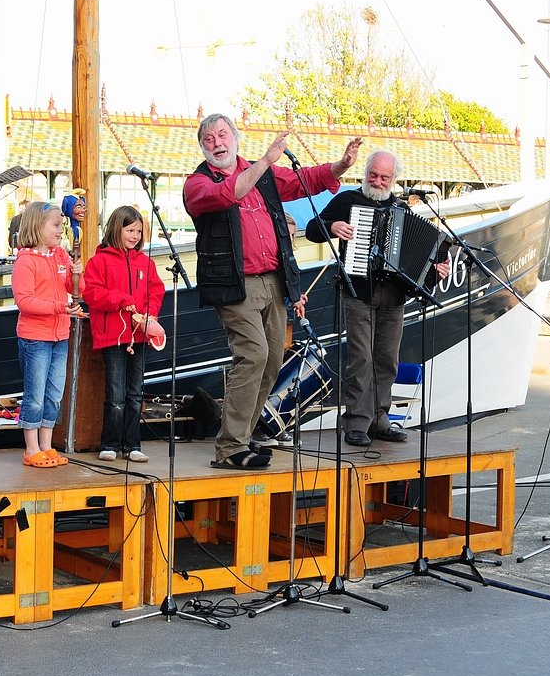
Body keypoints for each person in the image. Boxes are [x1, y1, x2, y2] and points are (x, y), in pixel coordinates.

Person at [184, 113, 361, 469]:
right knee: (253, 354)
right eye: (209, 139)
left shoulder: (264, 174)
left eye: (222, 135)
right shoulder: (197, 184)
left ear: (235, 137)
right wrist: (265, 161)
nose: (217, 143)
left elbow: (303, 180)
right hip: (235, 285)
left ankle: (242, 439)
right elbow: (229, 193)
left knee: (272, 360)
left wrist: (341, 165)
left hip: (273, 279)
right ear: (202, 146)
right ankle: (230, 447)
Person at [306, 151, 447, 447]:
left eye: (384, 177)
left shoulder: (401, 209)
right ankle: (356, 421)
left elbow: (419, 267)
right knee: (362, 358)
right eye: (373, 174)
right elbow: (312, 230)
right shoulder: (348, 201)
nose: (378, 181)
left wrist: (436, 270)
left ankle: (379, 419)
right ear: (365, 172)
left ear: (394, 179)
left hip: (394, 296)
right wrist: (332, 227)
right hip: (358, 291)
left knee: (386, 360)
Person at [82, 206, 166, 463]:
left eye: (139, 231)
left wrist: (150, 312)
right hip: (114, 337)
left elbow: (156, 291)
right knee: (115, 393)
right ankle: (110, 443)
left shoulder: (146, 262)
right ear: (116, 229)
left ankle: (132, 445)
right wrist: (120, 299)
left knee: (135, 393)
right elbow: (91, 293)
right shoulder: (99, 261)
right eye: (130, 230)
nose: (135, 235)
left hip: (140, 335)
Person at [13, 202, 82, 467]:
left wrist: (78, 275)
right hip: (35, 337)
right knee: (35, 394)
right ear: (37, 227)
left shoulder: (61, 256)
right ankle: (31, 448)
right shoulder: (26, 261)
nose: (61, 229)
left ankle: (46, 445)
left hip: (59, 334)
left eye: (61, 225)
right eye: (55, 225)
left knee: (54, 393)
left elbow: (76, 289)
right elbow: (25, 301)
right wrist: (59, 307)